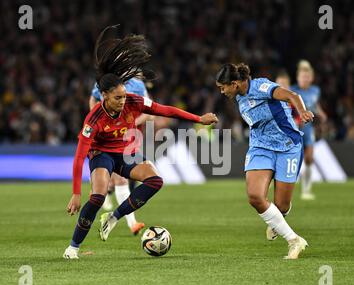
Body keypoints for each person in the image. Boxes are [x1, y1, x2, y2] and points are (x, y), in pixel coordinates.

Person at [63, 26, 218, 259]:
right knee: (98, 196)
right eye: (117, 98)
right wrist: (76, 193)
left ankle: (113, 217)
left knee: (155, 180)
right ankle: (72, 248)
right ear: (104, 96)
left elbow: (164, 110)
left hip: (125, 152)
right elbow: (78, 157)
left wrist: (198, 118)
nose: (122, 101)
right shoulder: (93, 119)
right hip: (101, 154)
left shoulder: (133, 101)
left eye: (124, 96)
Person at [215, 63, 313, 259]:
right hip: (261, 147)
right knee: (255, 196)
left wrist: (301, 111)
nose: (222, 91)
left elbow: (291, 95)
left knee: (281, 206)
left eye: (222, 87)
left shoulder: (261, 87)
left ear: (234, 84)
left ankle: (278, 219)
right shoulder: (238, 96)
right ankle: (294, 240)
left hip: (288, 146)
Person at [89, 78, 151, 235]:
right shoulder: (105, 83)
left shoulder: (138, 85)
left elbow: (149, 112)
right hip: (111, 138)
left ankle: (106, 191)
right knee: (121, 179)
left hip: (132, 137)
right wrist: (97, 123)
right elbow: (93, 101)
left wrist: (130, 121)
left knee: (132, 177)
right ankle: (132, 223)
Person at [290, 60, 327, 200]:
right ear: (298, 77)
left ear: (311, 78)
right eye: (302, 77)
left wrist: (321, 113)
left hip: (308, 128)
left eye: (307, 77)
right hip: (293, 128)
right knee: (291, 159)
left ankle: (306, 189)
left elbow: (315, 105)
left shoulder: (315, 90)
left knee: (309, 158)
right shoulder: (291, 90)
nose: (304, 79)